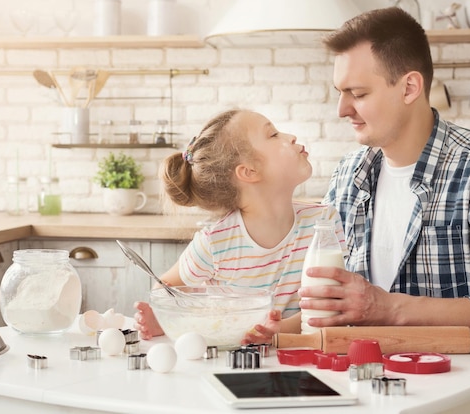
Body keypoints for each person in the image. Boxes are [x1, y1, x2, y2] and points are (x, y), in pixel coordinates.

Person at [297, 7, 470, 413]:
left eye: (359, 93)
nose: (342, 110)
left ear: (409, 87)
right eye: (340, 93)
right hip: (378, 400)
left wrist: (388, 309)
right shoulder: (349, 175)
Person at [133, 108, 346, 342]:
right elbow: (165, 287)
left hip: (300, 358)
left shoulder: (323, 223)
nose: (291, 137)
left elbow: (328, 305)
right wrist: (161, 319)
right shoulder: (215, 242)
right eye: (273, 135)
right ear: (249, 171)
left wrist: (280, 330)